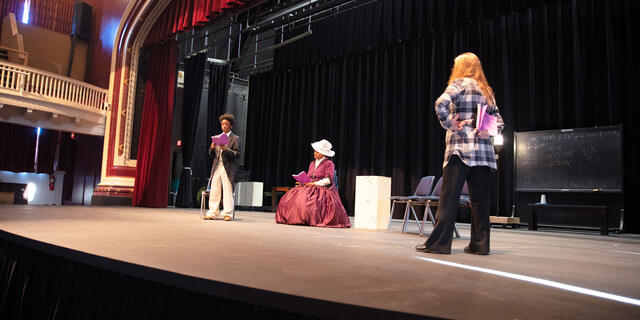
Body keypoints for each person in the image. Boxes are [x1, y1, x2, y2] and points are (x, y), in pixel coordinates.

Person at [415, 52, 504, 255]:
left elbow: (440, 103)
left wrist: (449, 123)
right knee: (480, 201)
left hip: (460, 149)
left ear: (460, 67)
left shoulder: (459, 84)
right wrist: (487, 130)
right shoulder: (486, 90)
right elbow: (499, 121)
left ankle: (439, 244)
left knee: (449, 197)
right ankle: (480, 245)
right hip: (483, 153)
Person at [275, 139, 351, 228]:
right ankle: (292, 217)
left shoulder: (328, 163)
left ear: (322, 153)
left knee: (306, 201)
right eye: (315, 152)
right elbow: (309, 177)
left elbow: (328, 180)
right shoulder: (312, 163)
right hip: (310, 186)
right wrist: (303, 182)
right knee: (291, 196)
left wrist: (314, 184)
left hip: (322, 188)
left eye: (316, 152)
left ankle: (306, 218)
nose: (314, 153)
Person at [204, 113, 240, 221]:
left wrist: (226, 149)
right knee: (215, 190)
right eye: (222, 124)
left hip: (227, 168)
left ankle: (227, 213)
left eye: (226, 124)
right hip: (217, 167)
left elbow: (237, 154)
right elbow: (211, 154)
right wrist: (211, 148)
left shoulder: (235, 138)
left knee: (228, 191)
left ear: (231, 126)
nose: (224, 126)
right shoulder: (217, 137)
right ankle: (213, 213)